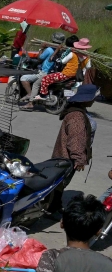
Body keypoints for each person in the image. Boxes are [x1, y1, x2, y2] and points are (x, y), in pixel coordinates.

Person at [47, 84, 98, 215]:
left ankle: (52, 205)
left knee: (60, 182)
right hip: (67, 157)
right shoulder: (77, 116)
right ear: (86, 99)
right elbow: (75, 139)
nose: (94, 100)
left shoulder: (79, 112)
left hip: (66, 155)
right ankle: (50, 208)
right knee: (60, 182)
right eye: (93, 98)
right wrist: (78, 158)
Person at [19, 32, 63, 102]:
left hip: (44, 72)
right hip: (54, 72)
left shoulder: (49, 50)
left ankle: (30, 96)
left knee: (23, 78)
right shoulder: (61, 50)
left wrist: (41, 48)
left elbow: (40, 58)